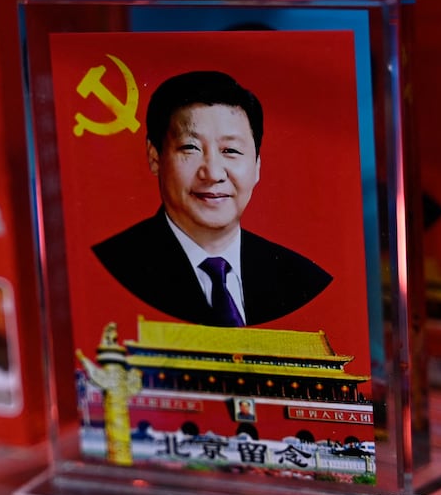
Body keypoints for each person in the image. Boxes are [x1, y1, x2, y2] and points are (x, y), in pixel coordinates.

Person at [92, 71, 332, 327]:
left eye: (230, 151)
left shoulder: (303, 281)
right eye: (190, 148)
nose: (213, 173)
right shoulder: (109, 269)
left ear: (257, 166)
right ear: (155, 157)